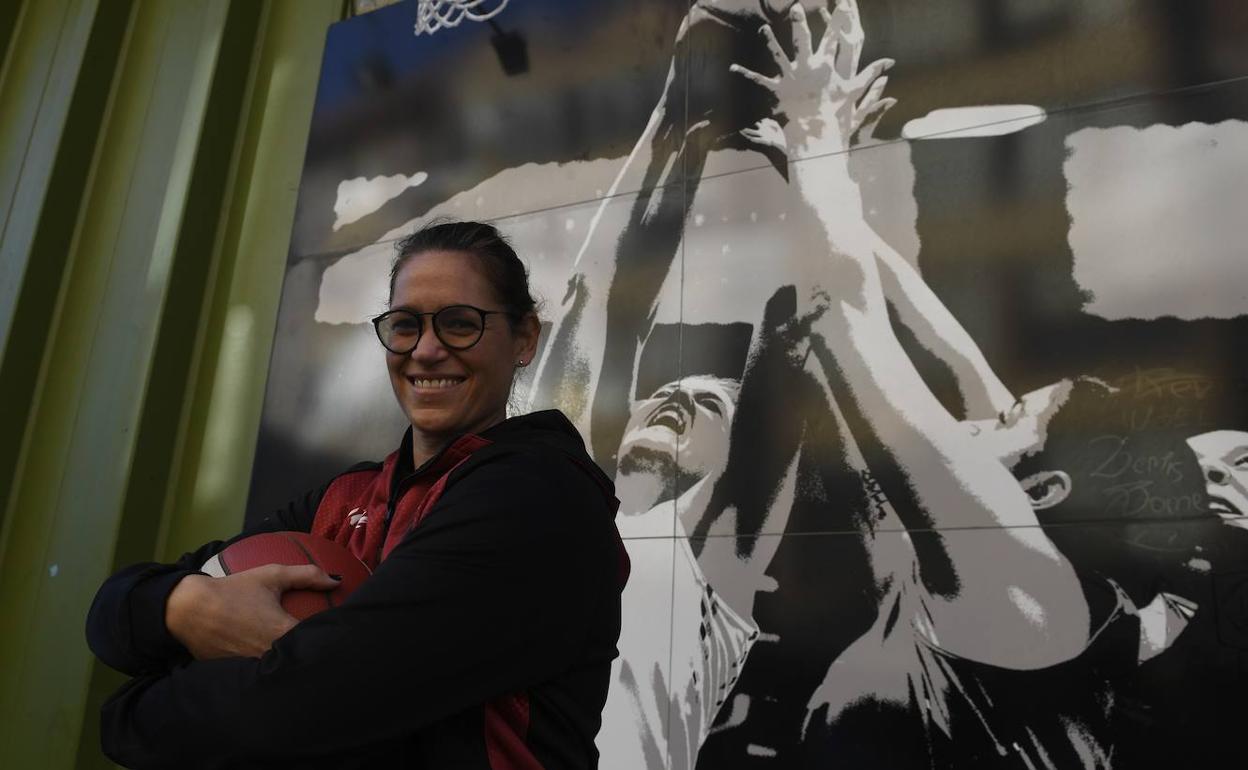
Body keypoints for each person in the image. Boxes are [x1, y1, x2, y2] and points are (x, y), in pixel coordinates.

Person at [86, 221, 628, 768]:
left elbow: (301, 706)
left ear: (525, 338)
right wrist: (191, 606)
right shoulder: (348, 497)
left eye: (461, 324)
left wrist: (127, 715)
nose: (427, 350)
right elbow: (113, 613)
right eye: (405, 325)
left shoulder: (540, 498)